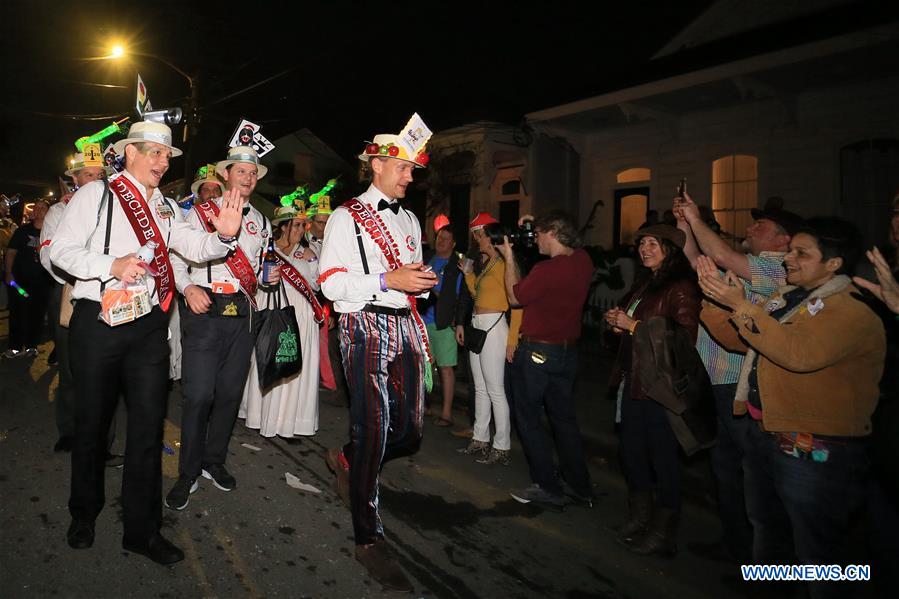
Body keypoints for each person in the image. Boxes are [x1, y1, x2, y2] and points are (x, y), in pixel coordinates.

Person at [48, 120, 243, 564]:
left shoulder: (167, 209)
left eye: (166, 155)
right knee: (92, 425)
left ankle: (142, 530)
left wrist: (224, 235)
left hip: (148, 327)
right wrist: (109, 265)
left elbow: (194, 246)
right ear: (129, 153)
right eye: (153, 152)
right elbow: (60, 250)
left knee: (148, 429)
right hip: (97, 322)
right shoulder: (96, 195)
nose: (161, 161)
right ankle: (84, 512)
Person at [699, 217, 885, 599]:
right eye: (791, 251)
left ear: (833, 263)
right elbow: (745, 341)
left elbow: (797, 354)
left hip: (814, 446)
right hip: (766, 434)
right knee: (768, 528)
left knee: (817, 547)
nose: (789, 260)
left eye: (802, 253)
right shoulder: (788, 298)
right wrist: (717, 301)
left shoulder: (850, 310)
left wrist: (741, 306)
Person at [319, 118, 437, 592]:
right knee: (371, 428)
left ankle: (346, 458)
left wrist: (419, 282)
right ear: (379, 165)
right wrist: (388, 281)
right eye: (405, 168)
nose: (411, 177)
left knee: (408, 429)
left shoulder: (408, 218)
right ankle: (369, 538)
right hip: (363, 324)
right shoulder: (347, 217)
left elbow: (411, 277)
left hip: (405, 324)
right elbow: (329, 282)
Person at [674, 192, 799, 564]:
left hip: (738, 385)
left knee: (751, 478)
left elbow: (723, 257)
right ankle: (736, 545)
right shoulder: (752, 265)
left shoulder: (777, 269)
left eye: (760, 226)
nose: (749, 228)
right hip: (716, 383)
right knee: (725, 471)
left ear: (783, 240)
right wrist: (684, 226)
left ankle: (765, 562)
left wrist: (696, 220)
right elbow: (700, 261)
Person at [166, 145, 278, 511]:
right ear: (224, 175)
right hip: (205, 308)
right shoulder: (198, 214)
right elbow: (175, 258)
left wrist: (269, 278)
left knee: (230, 395)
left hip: (243, 312)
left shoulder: (261, 221)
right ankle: (188, 473)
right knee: (198, 395)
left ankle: (214, 462)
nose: (246, 177)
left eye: (252, 173)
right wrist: (188, 287)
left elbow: (262, 269)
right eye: (240, 171)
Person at [603, 224, 701, 556]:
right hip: (634, 381)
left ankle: (663, 532)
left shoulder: (680, 287)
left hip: (660, 389)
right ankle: (639, 517)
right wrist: (619, 323)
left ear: (670, 249)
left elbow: (685, 338)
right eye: (641, 243)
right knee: (631, 454)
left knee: (663, 460)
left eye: (653, 243)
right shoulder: (646, 283)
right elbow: (638, 328)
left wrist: (633, 326)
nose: (645, 249)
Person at [498, 211, 593, 511]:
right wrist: (532, 219)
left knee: (529, 420)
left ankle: (547, 486)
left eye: (538, 233)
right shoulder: (583, 261)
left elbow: (515, 298)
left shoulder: (546, 271)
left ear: (552, 232)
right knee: (564, 421)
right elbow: (562, 231)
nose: (534, 239)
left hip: (537, 353)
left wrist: (509, 256)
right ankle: (579, 486)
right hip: (567, 355)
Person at [39, 149, 107, 451]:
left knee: (105, 370)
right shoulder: (59, 211)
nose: (94, 180)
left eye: (99, 175)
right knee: (69, 368)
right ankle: (68, 430)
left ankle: (102, 440)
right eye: (88, 175)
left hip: (107, 291)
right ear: (76, 179)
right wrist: (79, 276)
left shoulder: (112, 205)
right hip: (69, 290)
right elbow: (47, 255)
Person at [240, 203, 323, 437]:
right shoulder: (268, 251)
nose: (301, 230)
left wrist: (312, 260)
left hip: (301, 319)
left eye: (303, 225)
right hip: (272, 312)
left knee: (294, 366)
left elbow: (317, 285)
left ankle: (291, 422)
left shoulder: (308, 254)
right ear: (284, 227)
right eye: (296, 225)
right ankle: (261, 416)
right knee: (268, 359)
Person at [456, 222, 520, 465]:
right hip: (478, 325)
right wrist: (468, 274)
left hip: (494, 327)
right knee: (481, 388)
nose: (477, 240)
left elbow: (518, 306)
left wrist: (512, 341)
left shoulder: (506, 266)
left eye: (481, 236)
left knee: (495, 389)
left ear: (492, 239)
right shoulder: (487, 265)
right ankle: (480, 438)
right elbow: (477, 295)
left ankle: (502, 445)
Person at [420, 225, 463, 427]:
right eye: (439, 237)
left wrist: (432, 283)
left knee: (445, 368)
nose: (441, 241)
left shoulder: (457, 264)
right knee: (424, 367)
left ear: (453, 244)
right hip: (423, 320)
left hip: (445, 322)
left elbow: (455, 295)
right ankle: (425, 406)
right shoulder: (427, 257)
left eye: (446, 239)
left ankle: (446, 413)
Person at [4, 199, 52, 359]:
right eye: (36, 207)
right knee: (17, 312)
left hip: (42, 283)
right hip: (20, 282)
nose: (38, 210)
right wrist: (9, 273)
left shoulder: (53, 232)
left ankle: (32, 346)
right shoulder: (22, 231)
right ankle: (14, 347)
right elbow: (11, 252)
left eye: (43, 207)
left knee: (36, 315)